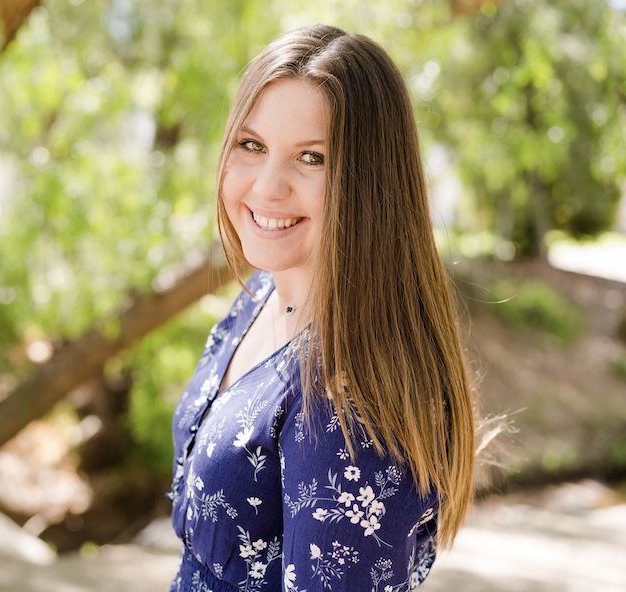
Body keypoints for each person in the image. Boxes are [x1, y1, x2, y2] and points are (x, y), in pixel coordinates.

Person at [167, 24, 476, 592]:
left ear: (370, 184)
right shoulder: (262, 292)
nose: (267, 187)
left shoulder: (346, 400)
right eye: (252, 145)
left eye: (311, 158)